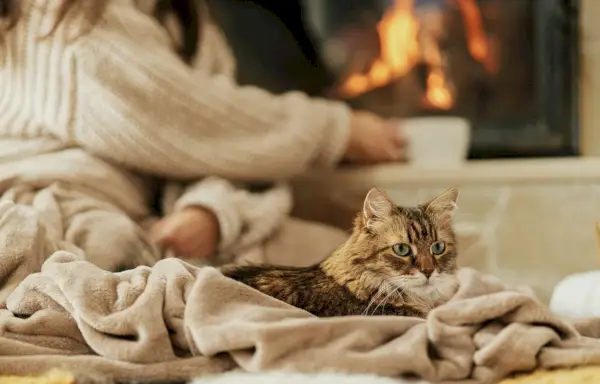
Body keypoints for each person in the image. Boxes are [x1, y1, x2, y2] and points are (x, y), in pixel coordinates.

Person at [0, 0, 407, 282]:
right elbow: (178, 120)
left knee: (350, 258)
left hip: (157, 210)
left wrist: (211, 211)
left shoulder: (188, 19)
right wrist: (335, 130)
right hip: (57, 197)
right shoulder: (63, 20)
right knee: (106, 250)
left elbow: (214, 149)